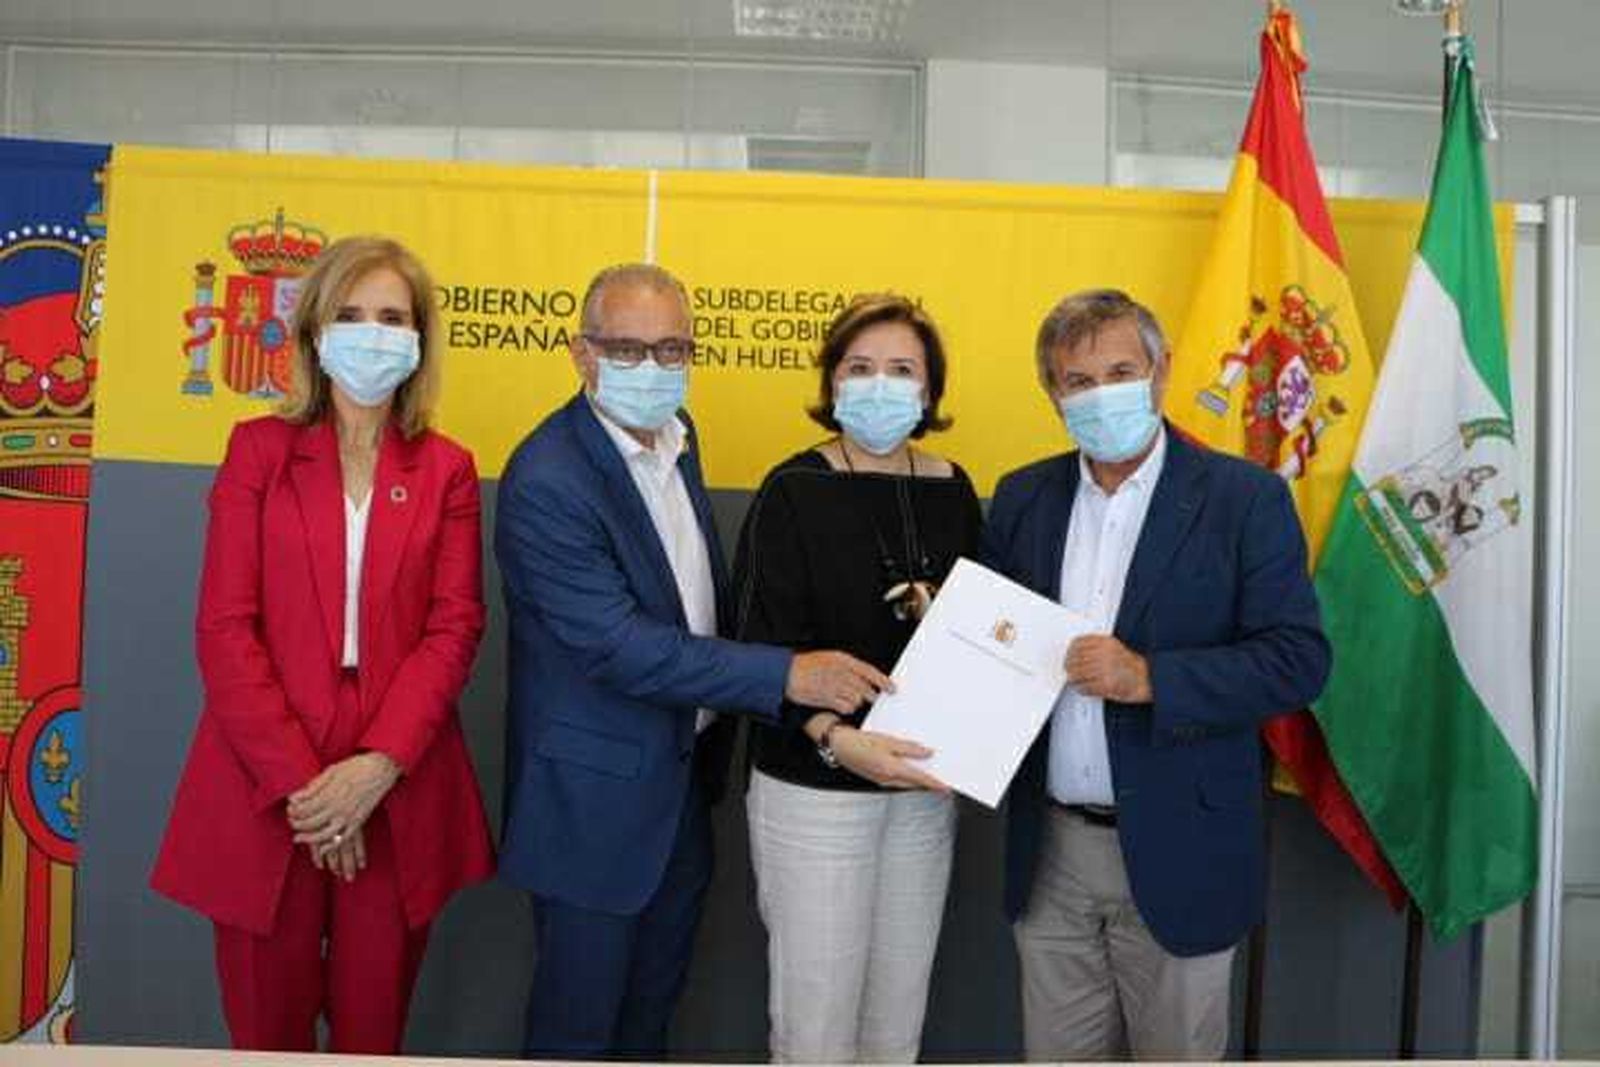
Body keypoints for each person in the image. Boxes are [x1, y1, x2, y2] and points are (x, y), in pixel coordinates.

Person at [495, 263, 895, 1060]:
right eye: (629, 349)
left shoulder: (679, 439)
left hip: (679, 789)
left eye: (672, 348)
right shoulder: (548, 477)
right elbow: (616, 644)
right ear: (582, 355)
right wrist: (784, 673)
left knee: (650, 1024)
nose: (654, 368)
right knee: (578, 1034)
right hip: (593, 808)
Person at [151, 236, 495, 1052]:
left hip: (394, 780)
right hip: (269, 779)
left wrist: (374, 768)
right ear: (313, 332)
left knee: (373, 1032)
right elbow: (224, 629)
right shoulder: (257, 452)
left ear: (419, 340)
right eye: (350, 315)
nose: (372, 333)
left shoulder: (446, 469)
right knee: (267, 1031)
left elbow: (455, 626)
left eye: (391, 317)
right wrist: (311, 794)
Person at [983, 289, 1331, 1061]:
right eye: (1078, 380)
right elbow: (993, 647)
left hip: (1185, 845)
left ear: (1162, 371)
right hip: (1051, 851)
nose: (1101, 393)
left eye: (1120, 370)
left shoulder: (1245, 498)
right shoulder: (1022, 497)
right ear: (1052, 394)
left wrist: (1151, 678)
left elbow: (1298, 659)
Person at [731, 293, 979, 1063]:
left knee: (894, 1027)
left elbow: (983, 640)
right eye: (861, 367)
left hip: (921, 794)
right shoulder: (791, 489)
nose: (881, 384)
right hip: (816, 791)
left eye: (902, 369)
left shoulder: (954, 487)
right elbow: (755, 646)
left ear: (930, 391)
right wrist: (840, 740)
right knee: (816, 1029)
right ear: (832, 383)